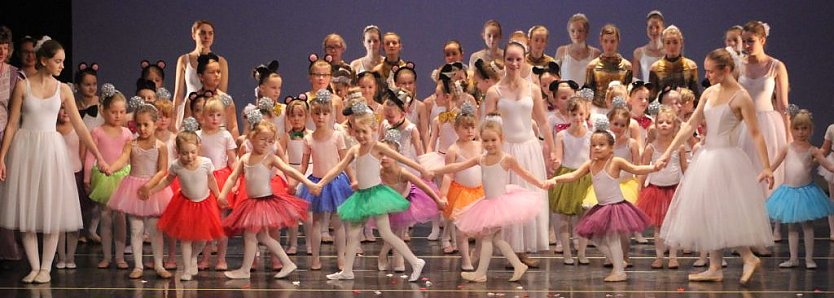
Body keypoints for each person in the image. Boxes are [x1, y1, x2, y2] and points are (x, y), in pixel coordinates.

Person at [657, 48, 774, 285]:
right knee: (708, 210)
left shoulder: (741, 97)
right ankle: (714, 266)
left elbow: (755, 133)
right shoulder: (710, 93)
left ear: (726, 70)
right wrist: (667, 153)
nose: (707, 75)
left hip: (726, 159)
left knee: (726, 211)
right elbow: (691, 124)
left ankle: (748, 256)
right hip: (708, 156)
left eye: (711, 70)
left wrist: (767, 166)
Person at [0, 38, 112, 283]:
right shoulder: (23, 86)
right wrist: (2, 157)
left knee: (51, 209)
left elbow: (81, 127)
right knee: (26, 210)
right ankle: (34, 266)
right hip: (25, 150)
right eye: (58, 61)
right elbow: (10, 125)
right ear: (44, 60)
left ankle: (46, 268)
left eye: (62, 61)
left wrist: (100, 156)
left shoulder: (62, 89)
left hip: (51, 150)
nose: (62, 65)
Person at [319, 103, 434, 282]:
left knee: (386, 233)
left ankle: (415, 261)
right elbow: (338, 168)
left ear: (373, 129)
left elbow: (403, 158)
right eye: (357, 131)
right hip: (362, 196)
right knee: (354, 234)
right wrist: (321, 183)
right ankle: (347, 271)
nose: (361, 136)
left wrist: (423, 169)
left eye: (365, 131)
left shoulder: (378, 147)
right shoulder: (355, 149)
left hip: (376, 196)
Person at [436, 116, 549, 282]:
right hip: (487, 203)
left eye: (493, 140)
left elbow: (525, 174)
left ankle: (481, 273)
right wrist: (435, 171)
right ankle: (518, 265)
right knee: (496, 239)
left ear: (501, 139)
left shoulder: (506, 159)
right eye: (486, 140)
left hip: (500, 204)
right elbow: (455, 167)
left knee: (489, 238)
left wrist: (541, 183)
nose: (489, 144)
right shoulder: (480, 159)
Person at [550, 119, 658, 282]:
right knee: (595, 237)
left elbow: (636, 169)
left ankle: (619, 271)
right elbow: (573, 176)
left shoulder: (615, 161)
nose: (597, 148)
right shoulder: (590, 164)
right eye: (594, 145)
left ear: (611, 147)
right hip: (601, 207)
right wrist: (555, 180)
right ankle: (618, 262)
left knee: (613, 238)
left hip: (615, 206)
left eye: (602, 145)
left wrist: (653, 167)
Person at [483, 41, 555, 265]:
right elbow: (488, 126)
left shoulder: (532, 88)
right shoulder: (494, 91)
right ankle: (511, 252)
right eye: (510, 59)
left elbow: (543, 122)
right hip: (507, 150)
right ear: (503, 60)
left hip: (529, 148)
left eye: (518, 59)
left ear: (524, 61)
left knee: (527, 197)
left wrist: (550, 148)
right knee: (507, 201)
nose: (514, 63)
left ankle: (523, 250)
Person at [221, 118, 316, 279]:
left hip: (264, 202)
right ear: (252, 138)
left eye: (270, 141)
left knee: (251, 235)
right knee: (262, 236)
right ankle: (286, 263)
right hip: (251, 202)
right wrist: (223, 194)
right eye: (262, 139)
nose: (266, 144)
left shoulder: (270, 158)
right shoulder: (245, 159)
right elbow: (232, 177)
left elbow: (289, 170)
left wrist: (307, 182)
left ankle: (246, 270)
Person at [151, 124, 225, 281]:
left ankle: (193, 257)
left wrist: (219, 196)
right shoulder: (176, 165)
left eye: (192, 152)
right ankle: (186, 268)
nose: (189, 156)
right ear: (178, 152)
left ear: (198, 148)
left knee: (203, 239)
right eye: (184, 153)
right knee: (185, 239)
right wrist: (153, 190)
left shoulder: (206, 163)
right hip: (185, 205)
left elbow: (211, 181)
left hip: (205, 204)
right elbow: (167, 181)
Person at [107, 103, 173, 279]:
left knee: (155, 230)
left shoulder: (161, 146)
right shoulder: (131, 144)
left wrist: (149, 186)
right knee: (136, 230)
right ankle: (138, 265)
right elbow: (122, 160)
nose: (142, 129)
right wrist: (111, 168)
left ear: (156, 123)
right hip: (133, 190)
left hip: (153, 190)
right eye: (139, 125)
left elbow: (162, 170)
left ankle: (159, 264)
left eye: (146, 124)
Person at [765, 109, 834, 269]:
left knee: (808, 226)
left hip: (807, 193)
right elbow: (772, 165)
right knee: (791, 226)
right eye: (797, 128)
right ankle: (793, 258)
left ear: (811, 130)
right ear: (791, 129)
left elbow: (828, 165)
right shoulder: (786, 148)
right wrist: (766, 172)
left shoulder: (813, 150)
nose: (801, 132)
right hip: (788, 192)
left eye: (804, 129)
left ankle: (809, 258)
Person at [85, 84, 132, 270]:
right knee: (105, 216)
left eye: (122, 112)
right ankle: (106, 256)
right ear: (103, 111)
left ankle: (119, 256)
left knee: (121, 216)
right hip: (104, 176)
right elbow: (91, 155)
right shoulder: (97, 132)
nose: (118, 115)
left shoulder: (127, 133)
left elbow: (128, 157)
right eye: (114, 112)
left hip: (122, 176)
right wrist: (87, 178)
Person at [637, 106, 688, 269]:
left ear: (674, 125)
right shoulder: (651, 147)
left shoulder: (679, 147)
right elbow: (643, 168)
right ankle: (659, 256)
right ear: (656, 125)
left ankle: (673, 256)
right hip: (655, 190)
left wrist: (689, 186)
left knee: (673, 225)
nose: (664, 125)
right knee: (658, 226)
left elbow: (685, 168)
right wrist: (639, 186)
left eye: (668, 122)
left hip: (674, 190)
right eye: (661, 122)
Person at [173, 20, 229, 130]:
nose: (207, 37)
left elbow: (222, 91)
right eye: (202, 33)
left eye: (210, 33)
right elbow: (178, 94)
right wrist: (173, 120)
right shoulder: (184, 60)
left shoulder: (221, 61)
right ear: (194, 35)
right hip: (189, 108)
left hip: (212, 110)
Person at [584, 24, 632, 110]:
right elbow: (588, 92)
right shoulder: (592, 66)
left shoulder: (626, 66)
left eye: (612, 41)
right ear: (601, 41)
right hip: (597, 109)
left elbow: (629, 92)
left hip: (620, 109)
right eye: (605, 41)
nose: (609, 45)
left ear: (618, 41)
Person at [648, 25, 700, 100]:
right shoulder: (655, 68)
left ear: (681, 43)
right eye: (668, 43)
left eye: (675, 42)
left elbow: (696, 96)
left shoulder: (691, 66)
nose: (672, 46)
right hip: (663, 109)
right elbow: (651, 98)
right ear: (663, 44)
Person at [554, 14, 600, 87]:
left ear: (586, 32)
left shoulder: (595, 54)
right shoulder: (561, 51)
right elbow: (554, 76)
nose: (576, 34)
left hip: (586, 97)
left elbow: (598, 81)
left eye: (580, 31)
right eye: (572, 31)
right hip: (566, 96)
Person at [632, 11, 665, 82]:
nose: (654, 31)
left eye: (657, 27)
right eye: (650, 27)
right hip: (646, 91)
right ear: (647, 28)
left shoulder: (668, 51)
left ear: (662, 28)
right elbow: (633, 78)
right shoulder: (639, 52)